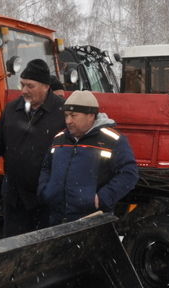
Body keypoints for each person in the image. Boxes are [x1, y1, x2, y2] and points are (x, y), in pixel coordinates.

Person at [0, 59, 65, 237]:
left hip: (45, 201)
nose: (24, 90)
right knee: (14, 249)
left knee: (43, 251)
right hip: (15, 199)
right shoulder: (13, 109)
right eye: (22, 85)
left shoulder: (62, 114)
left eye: (30, 86)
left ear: (45, 86)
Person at [38, 90, 138, 225]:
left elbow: (129, 174)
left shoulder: (113, 140)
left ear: (91, 116)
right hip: (57, 218)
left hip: (92, 220)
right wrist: (46, 190)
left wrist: (102, 198)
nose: (68, 121)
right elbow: (46, 167)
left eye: (74, 115)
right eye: (66, 115)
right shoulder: (59, 138)